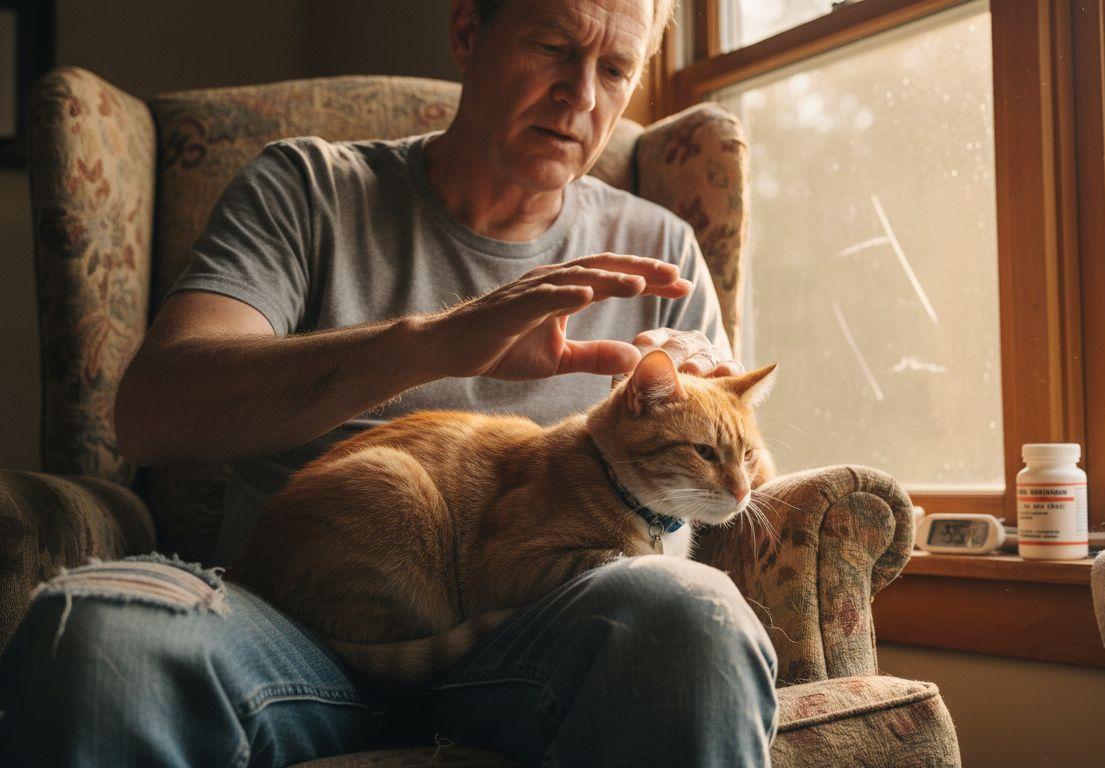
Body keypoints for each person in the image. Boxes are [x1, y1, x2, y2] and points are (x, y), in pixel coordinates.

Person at [0, 0, 779, 764]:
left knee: (697, 617)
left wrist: (723, 425)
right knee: (98, 635)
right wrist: (433, 346)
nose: (581, 94)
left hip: (531, 644)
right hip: (294, 631)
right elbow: (150, 417)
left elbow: (740, 480)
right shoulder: (307, 188)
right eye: (553, 47)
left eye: (614, 70)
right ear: (467, 31)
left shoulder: (660, 249)